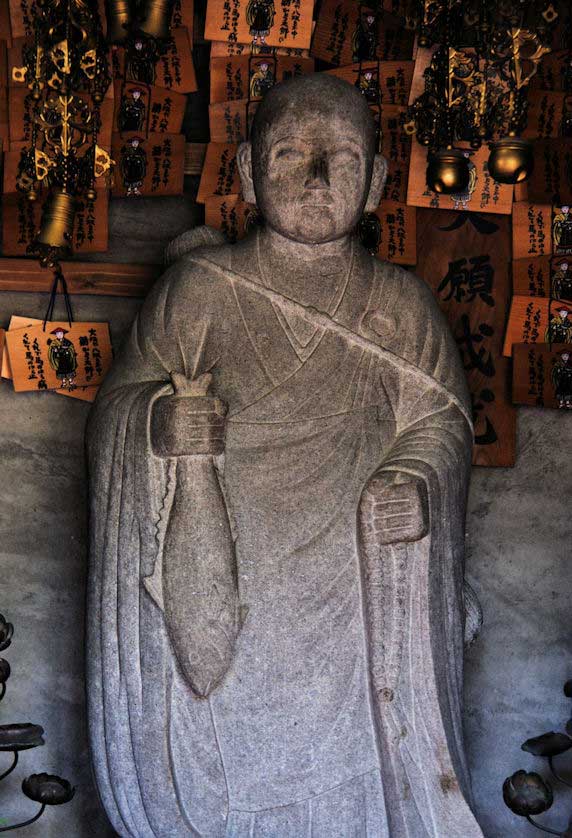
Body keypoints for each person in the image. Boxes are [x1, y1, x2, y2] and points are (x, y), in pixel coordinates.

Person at [87, 74, 482, 837]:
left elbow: (443, 424)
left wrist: (417, 482)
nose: (316, 179)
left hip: (349, 602)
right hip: (224, 580)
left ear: (374, 181)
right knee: (228, 769)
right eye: (292, 154)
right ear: (244, 173)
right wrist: (159, 424)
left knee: (355, 777)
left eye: (340, 158)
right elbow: (115, 415)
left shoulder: (400, 306)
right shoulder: (196, 291)